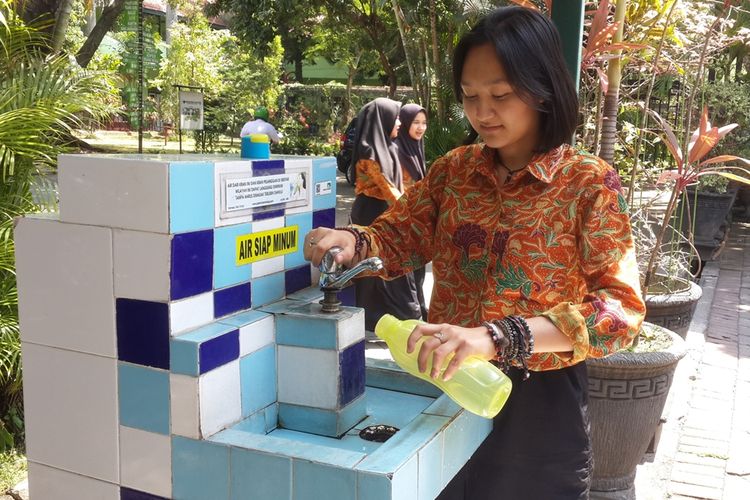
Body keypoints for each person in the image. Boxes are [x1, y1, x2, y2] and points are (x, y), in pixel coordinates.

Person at [304, 6, 645, 499]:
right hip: (450, 387)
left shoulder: (587, 184)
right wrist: (351, 240)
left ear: (543, 87)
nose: (482, 113)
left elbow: (620, 312)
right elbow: (397, 237)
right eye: (470, 96)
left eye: (501, 96)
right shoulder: (455, 172)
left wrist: (497, 336)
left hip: (539, 406)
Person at [349, 97, 423, 331]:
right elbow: (388, 189)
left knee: (390, 270)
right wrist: (415, 211)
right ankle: (386, 319)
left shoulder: (389, 148)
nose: (400, 122)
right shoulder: (369, 154)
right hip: (371, 214)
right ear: (383, 119)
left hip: (388, 212)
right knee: (377, 268)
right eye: (396, 117)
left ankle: (395, 319)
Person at [394, 103, 429, 321]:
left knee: (419, 272)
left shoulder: (416, 148)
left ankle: (420, 310)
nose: (420, 128)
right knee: (407, 273)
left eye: (424, 123)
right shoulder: (396, 150)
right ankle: (411, 314)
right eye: (415, 122)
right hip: (404, 220)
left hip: (420, 221)